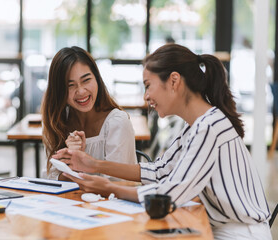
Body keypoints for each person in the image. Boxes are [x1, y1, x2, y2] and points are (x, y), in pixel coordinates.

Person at [52, 44, 272, 239]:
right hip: (219, 227)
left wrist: (108, 187)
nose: (146, 96)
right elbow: (160, 170)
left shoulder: (209, 127)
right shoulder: (195, 125)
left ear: (174, 81)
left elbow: (169, 193)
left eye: (148, 85)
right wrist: (94, 165)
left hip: (240, 233)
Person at [41, 46, 137, 181]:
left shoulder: (117, 123)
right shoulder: (58, 123)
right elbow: (52, 181)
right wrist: (74, 159)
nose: (81, 91)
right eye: (70, 85)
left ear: (97, 78)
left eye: (86, 80)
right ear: (59, 91)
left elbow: (116, 184)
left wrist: (81, 163)